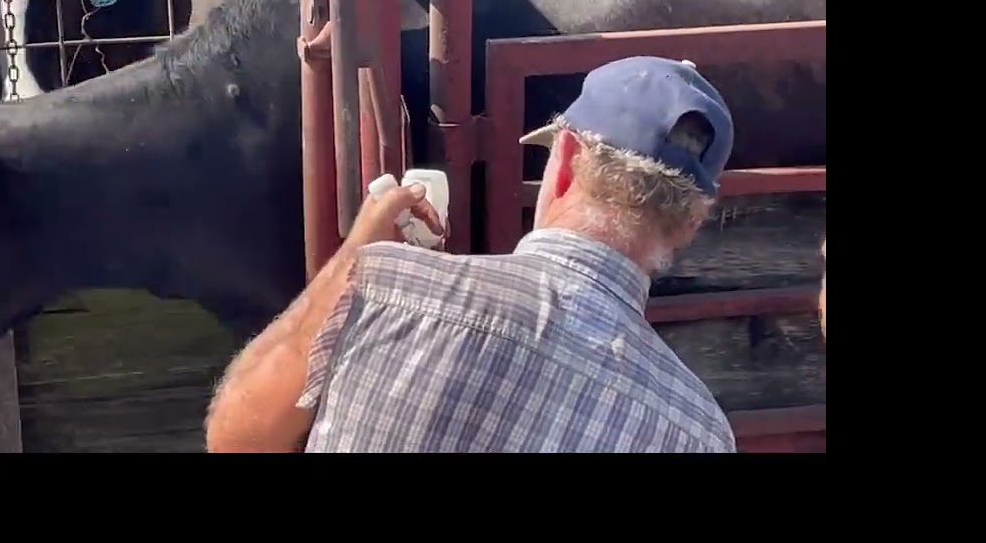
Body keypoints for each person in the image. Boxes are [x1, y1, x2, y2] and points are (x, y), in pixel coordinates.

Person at [205, 55, 737, 453]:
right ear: (691, 224)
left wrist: (353, 259)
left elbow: (236, 437)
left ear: (568, 160)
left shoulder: (389, 288)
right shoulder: (700, 432)